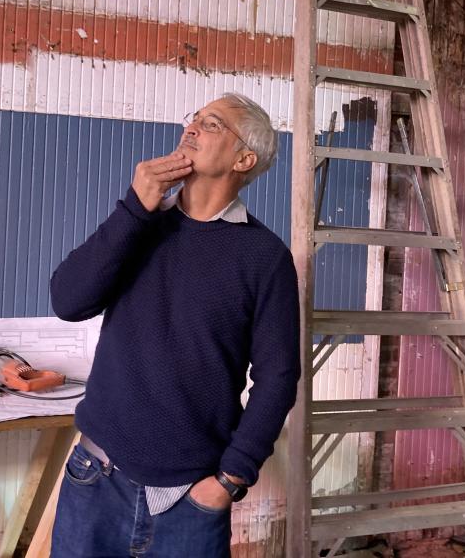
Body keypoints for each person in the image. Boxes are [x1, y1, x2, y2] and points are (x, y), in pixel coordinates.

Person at [49, 93, 301, 557]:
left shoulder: (265, 258)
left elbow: (278, 377)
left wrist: (230, 479)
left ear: (244, 158)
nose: (192, 128)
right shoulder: (139, 225)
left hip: (192, 500)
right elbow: (68, 301)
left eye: (212, 124)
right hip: (96, 476)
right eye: (195, 118)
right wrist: (133, 208)